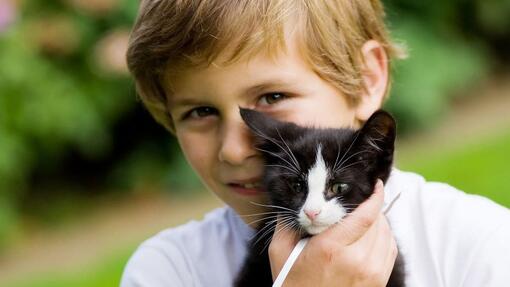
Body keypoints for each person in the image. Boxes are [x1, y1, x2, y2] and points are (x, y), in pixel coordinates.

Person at [120, 0, 510, 286]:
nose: (235, 150)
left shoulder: (478, 245)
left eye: (273, 97)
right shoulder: (168, 271)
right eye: (200, 112)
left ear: (365, 80)